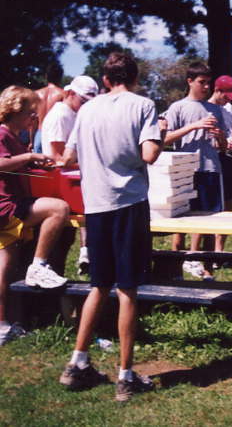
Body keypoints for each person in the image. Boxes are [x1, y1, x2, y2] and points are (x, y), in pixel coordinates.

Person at [57, 51, 164, 400]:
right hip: (129, 204)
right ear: (135, 77)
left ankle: (77, 363)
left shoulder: (86, 110)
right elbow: (149, 155)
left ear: (105, 80)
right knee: (128, 289)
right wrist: (160, 135)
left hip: (96, 206)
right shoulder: (143, 105)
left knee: (98, 285)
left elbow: (68, 157)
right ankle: (125, 376)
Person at [0, 86, 71, 345]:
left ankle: (4, 325)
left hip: (12, 203)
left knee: (7, 267)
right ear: (15, 110)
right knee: (58, 208)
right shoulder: (2, 133)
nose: (33, 118)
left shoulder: (15, 136)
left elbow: (15, 164)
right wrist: (29, 155)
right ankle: (38, 266)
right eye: (30, 112)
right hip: (6, 206)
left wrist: (32, 162)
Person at [162, 62, 227, 280]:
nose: (206, 87)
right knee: (180, 222)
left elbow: (223, 147)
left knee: (210, 222)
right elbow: (165, 139)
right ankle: (175, 271)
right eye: (202, 82)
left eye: (208, 83)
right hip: (185, 171)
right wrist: (194, 126)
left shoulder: (215, 109)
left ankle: (207, 271)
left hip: (210, 170)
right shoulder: (178, 107)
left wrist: (220, 136)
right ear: (190, 81)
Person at [41, 75, 100, 274]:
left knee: (66, 239)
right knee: (59, 241)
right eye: (83, 101)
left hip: (69, 181)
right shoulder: (61, 115)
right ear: (70, 93)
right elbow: (57, 157)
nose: (85, 106)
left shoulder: (72, 113)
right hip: (60, 184)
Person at [207, 75, 232, 259]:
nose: (228, 100)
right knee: (213, 207)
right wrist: (223, 142)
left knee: (228, 204)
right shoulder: (207, 108)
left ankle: (219, 250)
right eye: (226, 96)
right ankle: (205, 252)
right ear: (217, 90)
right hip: (214, 159)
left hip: (229, 159)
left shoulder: (229, 108)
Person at [32, 63, 66, 152]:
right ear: (60, 77)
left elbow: (33, 120)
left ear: (46, 76)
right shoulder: (63, 94)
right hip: (54, 135)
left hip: (39, 134)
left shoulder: (36, 94)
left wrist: (31, 140)